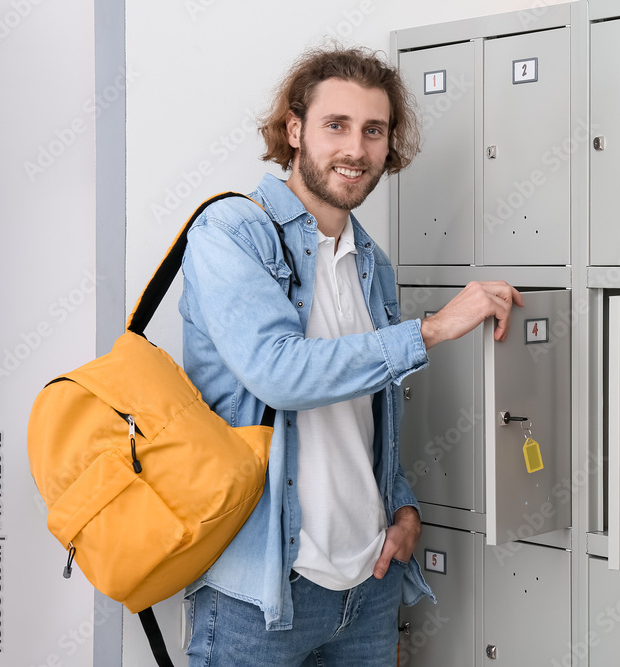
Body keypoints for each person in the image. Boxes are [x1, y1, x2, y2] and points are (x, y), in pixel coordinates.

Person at [179, 45, 522, 666]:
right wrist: (433, 328)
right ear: (294, 130)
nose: (355, 150)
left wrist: (402, 503)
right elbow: (279, 374)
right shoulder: (231, 233)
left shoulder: (372, 265)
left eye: (374, 130)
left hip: (368, 585)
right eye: (336, 125)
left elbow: (369, 415)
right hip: (261, 595)